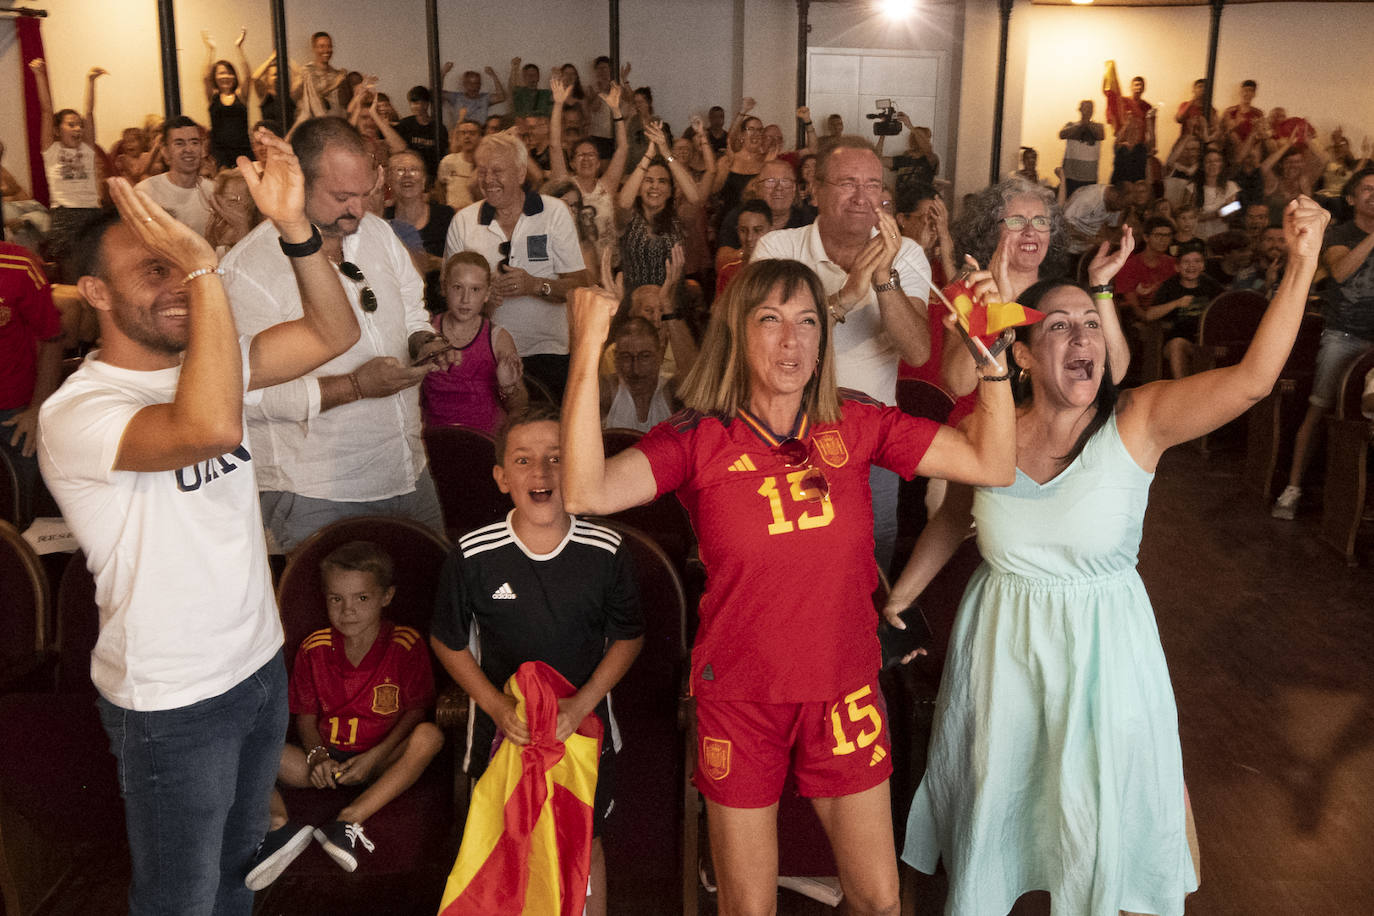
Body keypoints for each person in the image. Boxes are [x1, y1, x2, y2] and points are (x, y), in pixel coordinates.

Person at [894, 197, 1329, 916]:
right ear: (1024, 356)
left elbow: (1253, 381)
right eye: (1057, 326)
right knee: (1003, 808)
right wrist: (898, 599)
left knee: (1102, 824)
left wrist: (1302, 263)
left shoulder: (1141, 421)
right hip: (1003, 653)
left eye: (1090, 323)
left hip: (1106, 655)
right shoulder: (988, 421)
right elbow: (953, 519)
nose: (1080, 337)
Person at [560, 257, 1015, 916]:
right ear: (736, 335)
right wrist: (585, 349)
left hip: (844, 687)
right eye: (770, 320)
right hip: (741, 698)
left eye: (807, 322)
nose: (792, 341)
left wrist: (992, 358)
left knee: (880, 900)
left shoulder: (857, 422)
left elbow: (990, 463)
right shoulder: (699, 436)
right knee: (748, 907)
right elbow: (585, 490)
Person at [37, 132, 359, 916]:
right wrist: (209, 262)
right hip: (173, 700)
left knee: (235, 879)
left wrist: (293, 230)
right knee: (179, 899)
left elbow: (333, 334)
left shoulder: (205, 366)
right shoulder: (77, 412)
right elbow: (211, 428)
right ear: (98, 294)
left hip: (255, 668)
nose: (178, 277)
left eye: (180, 260)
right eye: (154, 268)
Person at [431, 404, 644, 916]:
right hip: (503, 735)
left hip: (586, 734)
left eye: (555, 458)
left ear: (575, 467)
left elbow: (629, 637)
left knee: (584, 844)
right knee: (507, 847)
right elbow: (448, 641)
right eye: (523, 461)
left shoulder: (607, 548)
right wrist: (497, 708)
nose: (541, 472)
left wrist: (581, 706)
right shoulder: (473, 555)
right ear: (502, 478)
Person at [223, 117, 448, 552]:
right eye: (342, 196)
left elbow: (411, 305)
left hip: (407, 470)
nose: (358, 210)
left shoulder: (377, 234)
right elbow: (242, 398)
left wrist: (423, 341)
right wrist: (355, 386)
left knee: (431, 605)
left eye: (365, 195)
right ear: (298, 183)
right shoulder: (247, 269)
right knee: (335, 620)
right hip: (318, 491)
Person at [750, 136, 935, 572]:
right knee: (790, 565)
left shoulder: (906, 254)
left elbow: (917, 350)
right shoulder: (777, 250)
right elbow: (766, 344)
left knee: (869, 565)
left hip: (869, 445)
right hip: (786, 438)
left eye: (872, 185)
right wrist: (846, 297)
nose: (861, 196)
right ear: (814, 190)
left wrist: (885, 277)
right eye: (848, 183)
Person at [247, 541, 444, 888]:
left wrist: (374, 757)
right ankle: (278, 826)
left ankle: (349, 820)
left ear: (386, 596)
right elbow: (306, 716)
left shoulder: (405, 644)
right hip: (325, 764)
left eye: (361, 598)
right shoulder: (314, 647)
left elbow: (416, 712)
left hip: (381, 761)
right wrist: (317, 755)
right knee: (248, 743)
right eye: (336, 599)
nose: (347, 610)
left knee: (430, 736)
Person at [443, 132, 591, 402]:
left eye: (497, 171)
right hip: (484, 353)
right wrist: (484, 301)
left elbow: (580, 286)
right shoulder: (464, 221)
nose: (488, 180)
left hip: (547, 354)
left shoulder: (554, 212)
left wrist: (534, 285)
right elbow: (449, 292)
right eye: (483, 171)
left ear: (521, 173)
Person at [1273, 169, 1374, 520]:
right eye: (1367, 189)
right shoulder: (1340, 233)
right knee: (1319, 408)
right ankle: (1293, 488)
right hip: (1344, 335)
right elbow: (1342, 271)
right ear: (1351, 198)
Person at [421, 251, 527, 432]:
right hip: (433, 443)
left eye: (475, 289)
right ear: (444, 288)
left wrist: (507, 386)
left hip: (486, 443)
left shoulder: (498, 338)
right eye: (457, 287)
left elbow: (519, 409)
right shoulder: (424, 332)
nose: (465, 299)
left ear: (487, 294)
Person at [0, 241, 63, 528]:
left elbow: (51, 337)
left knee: (24, 510)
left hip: (14, 411)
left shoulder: (18, 264)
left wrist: (38, 408)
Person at [29, 58, 106, 278]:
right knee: (70, 270)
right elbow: (46, 110)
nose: (78, 128)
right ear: (57, 130)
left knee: (95, 266)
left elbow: (90, 113)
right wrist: (39, 75)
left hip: (91, 210)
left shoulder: (87, 149)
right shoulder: (51, 151)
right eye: (71, 124)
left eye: (79, 125)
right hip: (64, 213)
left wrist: (90, 82)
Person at [616, 122, 702, 294]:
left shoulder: (679, 218)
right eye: (648, 181)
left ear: (671, 191)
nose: (655, 187)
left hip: (671, 304)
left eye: (662, 181)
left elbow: (694, 197)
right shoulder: (628, 218)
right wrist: (648, 155)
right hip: (635, 303)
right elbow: (624, 202)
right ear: (639, 189)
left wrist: (666, 153)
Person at [549, 75, 628, 251]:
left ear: (599, 163)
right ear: (572, 163)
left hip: (608, 267)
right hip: (577, 268)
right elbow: (554, 145)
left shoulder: (606, 186)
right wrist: (558, 104)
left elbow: (622, 149)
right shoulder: (565, 184)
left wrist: (616, 111)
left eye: (591, 155)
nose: (586, 159)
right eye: (580, 155)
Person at [383, 149, 454, 312]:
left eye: (414, 170)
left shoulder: (445, 216)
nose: (407, 175)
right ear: (388, 180)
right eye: (400, 170)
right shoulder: (382, 221)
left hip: (441, 308)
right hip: (397, 308)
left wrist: (440, 264)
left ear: (424, 180)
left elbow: (464, 263)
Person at [1142, 242, 1224, 378]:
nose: (1192, 266)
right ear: (1177, 267)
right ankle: (1183, 390)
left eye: (1197, 261)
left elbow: (1225, 310)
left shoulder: (1211, 285)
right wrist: (1176, 303)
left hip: (1205, 341)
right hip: (1177, 340)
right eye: (1186, 262)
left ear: (1203, 266)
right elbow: (1150, 315)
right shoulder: (1169, 286)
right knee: (1177, 344)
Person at [135, 116, 215, 238]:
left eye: (194, 142)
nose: (188, 149)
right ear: (165, 151)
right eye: (179, 143)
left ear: (202, 149)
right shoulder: (145, 192)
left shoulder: (213, 192)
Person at [600, 315, 678, 432]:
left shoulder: (671, 392)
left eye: (645, 356)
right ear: (615, 358)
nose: (636, 369)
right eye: (626, 357)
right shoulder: (607, 390)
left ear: (660, 355)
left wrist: (671, 313)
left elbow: (693, 375)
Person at [201, 28, 253, 169]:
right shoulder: (213, 98)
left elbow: (248, 76)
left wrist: (239, 48)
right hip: (220, 151)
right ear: (215, 77)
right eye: (222, 73)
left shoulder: (241, 96)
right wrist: (211, 50)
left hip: (243, 149)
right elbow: (205, 78)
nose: (226, 77)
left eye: (230, 73)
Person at [1117, 216, 1178, 316]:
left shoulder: (1173, 263)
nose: (1163, 240)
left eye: (1167, 236)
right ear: (1146, 237)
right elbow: (1135, 309)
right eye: (1158, 235)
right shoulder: (1130, 267)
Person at [715, 200, 774, 297]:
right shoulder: (728, 272)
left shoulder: (783, 271)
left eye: (757, 230)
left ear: (771, 231)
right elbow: (719, 311)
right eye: (743, 230)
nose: (749, 237)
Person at [1059, 99, 1105, 198]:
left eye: (1090, 108)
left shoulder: (1098, 126)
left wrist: (1086, 124)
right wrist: (1081, 125)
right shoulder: (1071, 125)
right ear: (1079, 109)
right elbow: (1062, 134)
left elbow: (1100, 135)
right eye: (1085, 108)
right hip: (1071, 175)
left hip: (1089, 176)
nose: (1088, 111)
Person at [296, 32, 349, 114]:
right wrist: (335, 84)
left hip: (335, 122)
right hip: (314, 123)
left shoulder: (337, 74)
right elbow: (312, 97)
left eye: (329, 46)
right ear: (314, 48)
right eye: (322, 46)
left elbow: (344, 104)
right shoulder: (306, 72)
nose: (326, 50)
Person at [439, 63, 506, 128]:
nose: (473, 87)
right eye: (469, 83)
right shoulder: (456, 97)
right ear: (464, 84)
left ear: (480, 85)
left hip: (480, 133)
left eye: (476, 83)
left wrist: (493, 75)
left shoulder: (485, 98)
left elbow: (501, 97)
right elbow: (437, 94)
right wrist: (444, 73)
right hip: (461, 133)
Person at [437, 119, 482, 211]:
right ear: (458, 137)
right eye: (463, 133)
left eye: (472, 133)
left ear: (480, 137)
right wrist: (444, 208)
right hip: (452, 214)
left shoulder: (485, 163)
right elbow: (439, 185)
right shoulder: (448, 161)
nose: (467, 136)